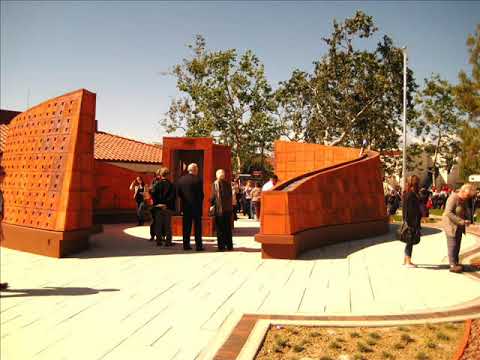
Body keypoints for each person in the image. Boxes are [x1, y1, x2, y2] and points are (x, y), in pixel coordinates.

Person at [442, 183, 476, 273]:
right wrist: (461, 221)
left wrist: (467, 219)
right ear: (462, 191)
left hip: (459, 226)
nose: (468, 197)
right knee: (452, 245)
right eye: (467, 195)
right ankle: (452, 264)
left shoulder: (463, 200)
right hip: (451, 225)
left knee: (457, 245)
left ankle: (456, 263)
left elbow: (463, 211)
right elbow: (448, 212)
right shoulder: (453, 198)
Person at [176, 163, 204, 251]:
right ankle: (198, 245)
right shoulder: (198, 180)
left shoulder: (181, 180)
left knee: (186, 226)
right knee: (197, 227)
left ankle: (186, 245)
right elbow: (201, 195)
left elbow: (179, 194)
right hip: (196, 207)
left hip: (186, 206)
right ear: (195, 170)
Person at [150, 167, 175, 247]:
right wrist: (166, 204)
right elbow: (172, 196)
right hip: (167, 208)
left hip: (158, 207)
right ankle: (168, 242)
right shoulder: (171, 185)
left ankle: (159, 241)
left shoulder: (156, 184)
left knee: (158, 224)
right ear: (168, 175)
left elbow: (153, 194)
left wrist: (158, 203)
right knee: (168, 225)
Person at [210, 169, 233, 251]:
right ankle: (229, 245)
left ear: (217, 175)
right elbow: (230, 195)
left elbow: (213, 196)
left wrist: (211, 204)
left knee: (220, 229)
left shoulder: (215, 184)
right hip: (228, 209)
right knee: (228, 228)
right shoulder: (227, 184)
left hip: (220, 210)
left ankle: (221, 246)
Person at [402, 175, 422, 268]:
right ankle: (408, 262)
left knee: (409, 241)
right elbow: (410, 210)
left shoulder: (407, 193)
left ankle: (406, 259)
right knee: (410, 241)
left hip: (410, 221)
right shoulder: (411, 194)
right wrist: (411, 223)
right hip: (411, 222)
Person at [149, 174, 160, 242]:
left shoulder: (152, 187)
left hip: (154, 205)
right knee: (156, 221)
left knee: (154, 221)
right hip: (156, 205)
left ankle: (153, 236)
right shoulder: (156, 186)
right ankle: (156, 236)